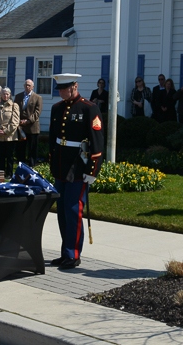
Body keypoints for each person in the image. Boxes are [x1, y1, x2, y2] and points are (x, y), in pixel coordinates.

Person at [48, 73, 104, 270]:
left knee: (73, 210)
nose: (61, 92)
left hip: (78, 167)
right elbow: (53, 139)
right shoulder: (57, 108)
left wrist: (92, 170)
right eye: (59, 89)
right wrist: (52, 163)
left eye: (64, 88)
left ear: (74, 86)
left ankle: (73, 254)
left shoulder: (89, 108)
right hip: (61, 166)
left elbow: (97, 142)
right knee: (62, 212)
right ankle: (66, 252)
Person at [0, 87, 20, 177]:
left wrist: (6, 131)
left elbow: (15, 122)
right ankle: (1, 173)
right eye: (4, 94)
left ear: (10, 95)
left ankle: (9, 174)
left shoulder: (14, 105)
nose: (5, 96)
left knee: (9, 156)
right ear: (1, 95)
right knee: (1, 156)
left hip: (10, 136)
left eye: (7, 94)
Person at [15, 79, 43, 167]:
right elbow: (15, 110)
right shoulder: (18, 97)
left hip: (32, 127)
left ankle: (31, 167)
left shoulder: (37, 98)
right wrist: (18, 120)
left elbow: (37, 112)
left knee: (32, 150)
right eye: (26, 85)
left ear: (33, 87)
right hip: (20, 127)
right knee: (20, 149)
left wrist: (28, 121)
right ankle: (21, 167)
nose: (27, 87)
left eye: (29, 85)